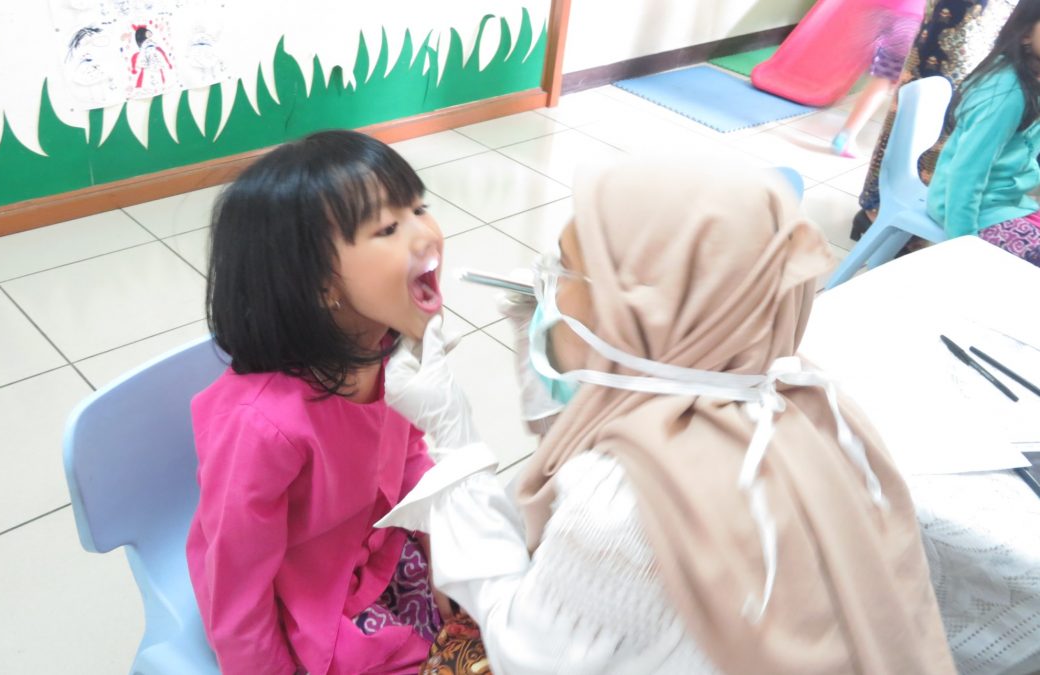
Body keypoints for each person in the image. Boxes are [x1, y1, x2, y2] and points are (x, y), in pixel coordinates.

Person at [379, 155, 955, 674]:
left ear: (644, 313)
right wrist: (536, 350)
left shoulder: (623, 509)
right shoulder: (791, 390)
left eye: (564, 269)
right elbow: (594, 431)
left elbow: (523, 654)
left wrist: (452, 435)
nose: (546, 280)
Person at [185, 130, 452, 675]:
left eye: (419, 208)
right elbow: (237, 600)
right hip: (318, 610)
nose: (425, 234)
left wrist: (444, 551)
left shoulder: (389, 351)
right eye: (388, 228)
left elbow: (408, 459)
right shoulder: (261, 428)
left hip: (384, 550)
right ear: (319, 283)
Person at [853, 0, 1020, 239]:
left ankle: (900, 212)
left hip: (992, 20)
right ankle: (881, 210)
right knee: (933, 110)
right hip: (962, 21)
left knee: (956, 112)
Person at [927, 0, 1040, 265]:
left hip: (1008, 203)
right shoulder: (1007, 93)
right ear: (1025, 33)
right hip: (975, 212)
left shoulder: (1031, 78)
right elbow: (966, 174)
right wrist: (963, 243)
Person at [831, 0, 926, 157]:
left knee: (883, 78)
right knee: (896, 81)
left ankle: (847, 133)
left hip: (881, 12)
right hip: (909, 19)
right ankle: (897, 143)